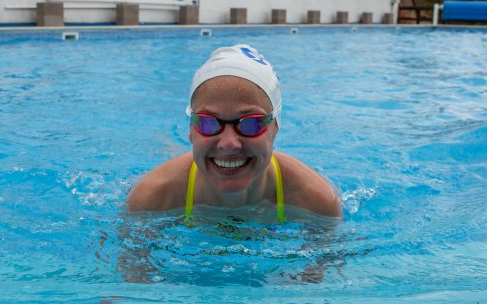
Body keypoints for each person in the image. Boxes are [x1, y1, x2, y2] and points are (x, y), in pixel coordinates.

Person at [126, 44, 342, 220]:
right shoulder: (151, 199)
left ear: (275, 127)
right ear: (191, 130)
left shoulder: (317, 202)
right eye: (208, 123)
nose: (229, 143)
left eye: (251, 124)